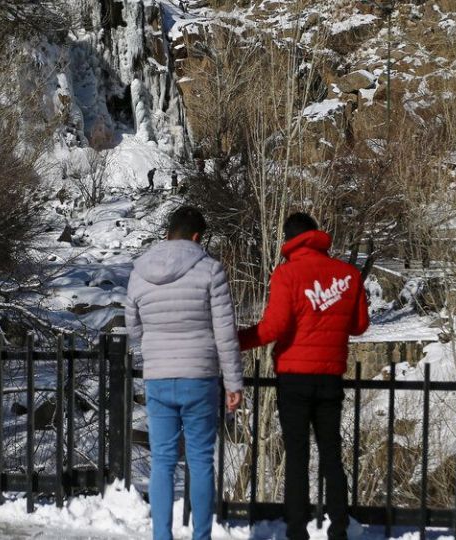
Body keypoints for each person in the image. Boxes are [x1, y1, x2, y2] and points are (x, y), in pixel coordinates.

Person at [238, 213, 369, 540]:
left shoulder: (287, 274)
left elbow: (274, 328)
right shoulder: (349, 275)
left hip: (294, 377)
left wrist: (236, 340)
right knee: (332, 455)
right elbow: (359, 326)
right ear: (316, 236)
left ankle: (297, 531)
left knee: (297, 456)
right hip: (330, 377)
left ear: (289, 239)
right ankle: (339, 529)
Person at [124, 206, 243, 540]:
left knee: (162, 461)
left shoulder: (139, 272)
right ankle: (201, 536)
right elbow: (225, 333)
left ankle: (162, 536)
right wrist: (234, 382)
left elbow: (133, 330)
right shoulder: (210, 270)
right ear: (196, 238)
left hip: (158, 377)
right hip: (199, 377)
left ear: (167, 234)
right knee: (200, 460)